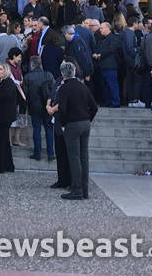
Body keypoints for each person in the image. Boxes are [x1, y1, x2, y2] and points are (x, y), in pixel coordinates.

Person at [54, 61, 98, 200]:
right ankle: (84, 189)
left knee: (74, 157)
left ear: (62, 75)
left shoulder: (64, 88)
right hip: (85, 123)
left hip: (73, 124)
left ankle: (77, 189)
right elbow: (94, 107)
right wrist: (88, 119)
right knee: (84, 157)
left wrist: (63, 123)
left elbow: (63, 109)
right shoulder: (82, 86)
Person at [23, 56, 55, 161]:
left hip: (34, 106)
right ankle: (51, 153)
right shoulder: (49, 75)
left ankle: (37, 153)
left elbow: (25, 94)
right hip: (47, 106)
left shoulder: (28, 77)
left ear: (32, 65)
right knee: (49, 130)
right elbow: (54, 91)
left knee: (36, 130)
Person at [94, 22, 122, 107]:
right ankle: (107, 101)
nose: (100, 30)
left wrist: (100, 54)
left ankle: (115, 102)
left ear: (108, 28)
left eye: (102, 28)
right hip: (102, 66)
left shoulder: (114, 38)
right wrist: (95, 53)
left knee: (112, 84)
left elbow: (111, 49)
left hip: (110, 66)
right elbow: (98, 48)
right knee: (105, 86)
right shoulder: (101, 39)